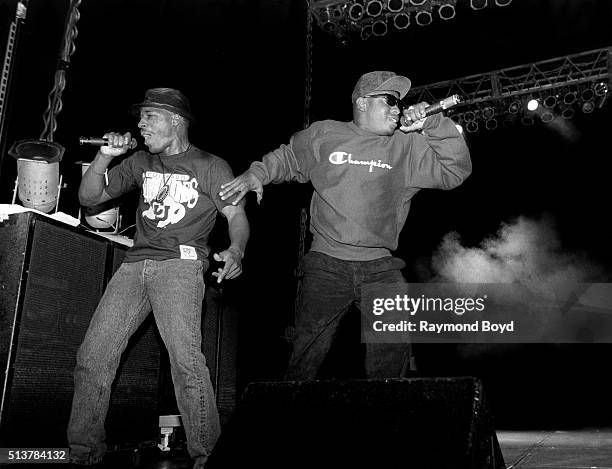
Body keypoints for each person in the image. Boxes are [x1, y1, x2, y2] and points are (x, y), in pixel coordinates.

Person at [219, 71, 470, 380]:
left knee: (393, 348)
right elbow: (288, 158)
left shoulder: (408, 146)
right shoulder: (325, 134)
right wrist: (258, 173)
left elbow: (455, 171)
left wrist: (433, 123)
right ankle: (287, 420)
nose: (397, 108)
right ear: (362, 102)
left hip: (380, 267)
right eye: (390, 100)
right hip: (326, 265)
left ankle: (385, 420)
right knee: (306, 353)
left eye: (400, 103)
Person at [67, 88, 249, 468]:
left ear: (176, 121)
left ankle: (207, 458)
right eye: (141, 117)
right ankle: (84, 454)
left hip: (180, 268)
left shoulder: (211, 165)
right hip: (134, 266)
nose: (141, 124)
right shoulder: (138, 161)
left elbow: (235, 215)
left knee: (185, 362)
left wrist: (236, 250)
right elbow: (89, 199)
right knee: (93, 357)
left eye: (150, 116)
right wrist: (104, 156)